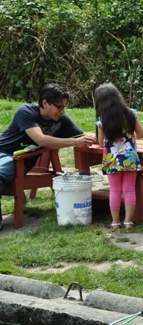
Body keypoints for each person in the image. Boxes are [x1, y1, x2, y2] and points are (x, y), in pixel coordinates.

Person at [0, 83, 96, 231]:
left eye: (64, 107)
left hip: (16, 160)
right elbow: (41, 140)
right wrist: (74, 142)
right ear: (45, 103)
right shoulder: (25, 112)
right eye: (59, 107)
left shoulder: (61, 121)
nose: (62, 112)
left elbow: (82, 135)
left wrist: (104, 132)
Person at [94, 83, 143, 231]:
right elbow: (140, 134)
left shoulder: (101, 120)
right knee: (129, 190)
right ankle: (128, 221)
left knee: (115, 190)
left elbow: (100, 144)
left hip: (111, 159)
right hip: (129, 157)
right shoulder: (131, 113)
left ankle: (115, 222)